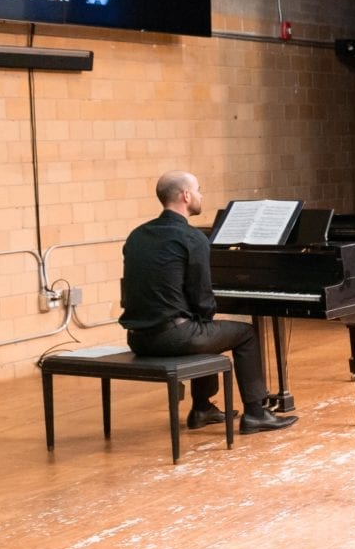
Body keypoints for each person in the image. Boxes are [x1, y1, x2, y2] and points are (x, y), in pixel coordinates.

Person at [120, 171, 296, 432]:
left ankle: (202, 408)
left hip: (138, 337)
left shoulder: (137, 235)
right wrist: (208, 313)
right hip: (171, 338)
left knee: (203, 327)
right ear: (186, 195)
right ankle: (256, 413)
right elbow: (202, 298)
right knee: (244, 333)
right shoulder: (192, 238)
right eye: (199, 190)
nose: (201, 195)